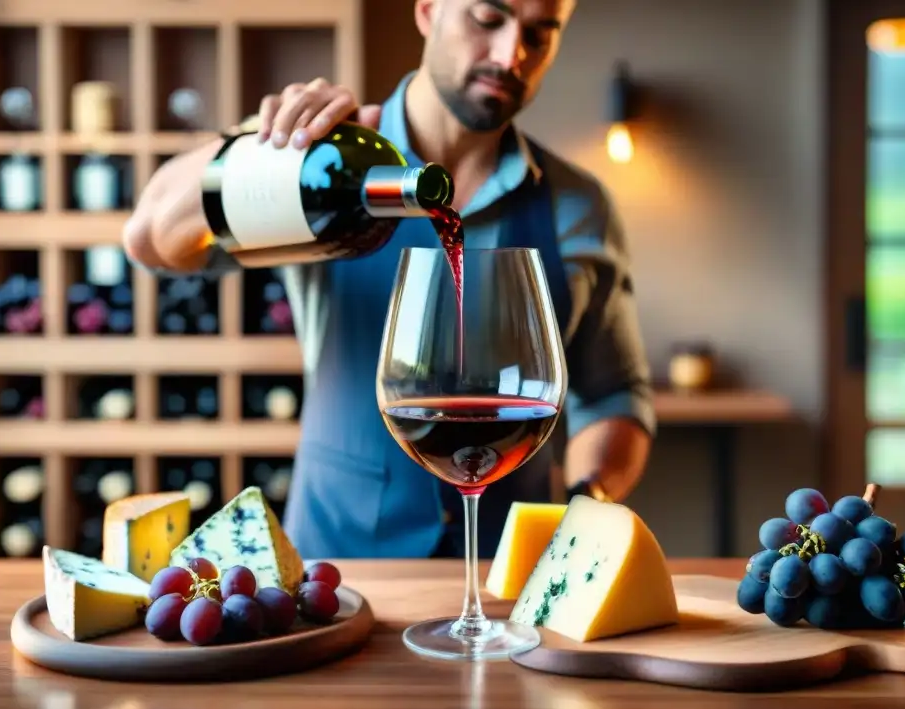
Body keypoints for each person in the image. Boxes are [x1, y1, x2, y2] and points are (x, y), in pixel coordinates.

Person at [122, 0, 656, 560]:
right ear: (429, 11)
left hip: (513, 585)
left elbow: (614, 394)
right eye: (487, 18)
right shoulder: (320, 165)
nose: (510, 55)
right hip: (340, 574)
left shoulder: (579, 205)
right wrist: (260, 146)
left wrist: (585, 503)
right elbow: (149, 237)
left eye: (540, 33)